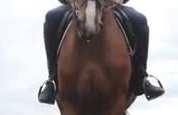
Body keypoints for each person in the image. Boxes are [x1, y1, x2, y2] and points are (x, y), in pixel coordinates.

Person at [37, 0, 165, 104]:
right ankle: (52, 79)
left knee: (140, 20)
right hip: (77, 5)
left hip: (109, 6)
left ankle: (141, 77)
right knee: (51, 18)